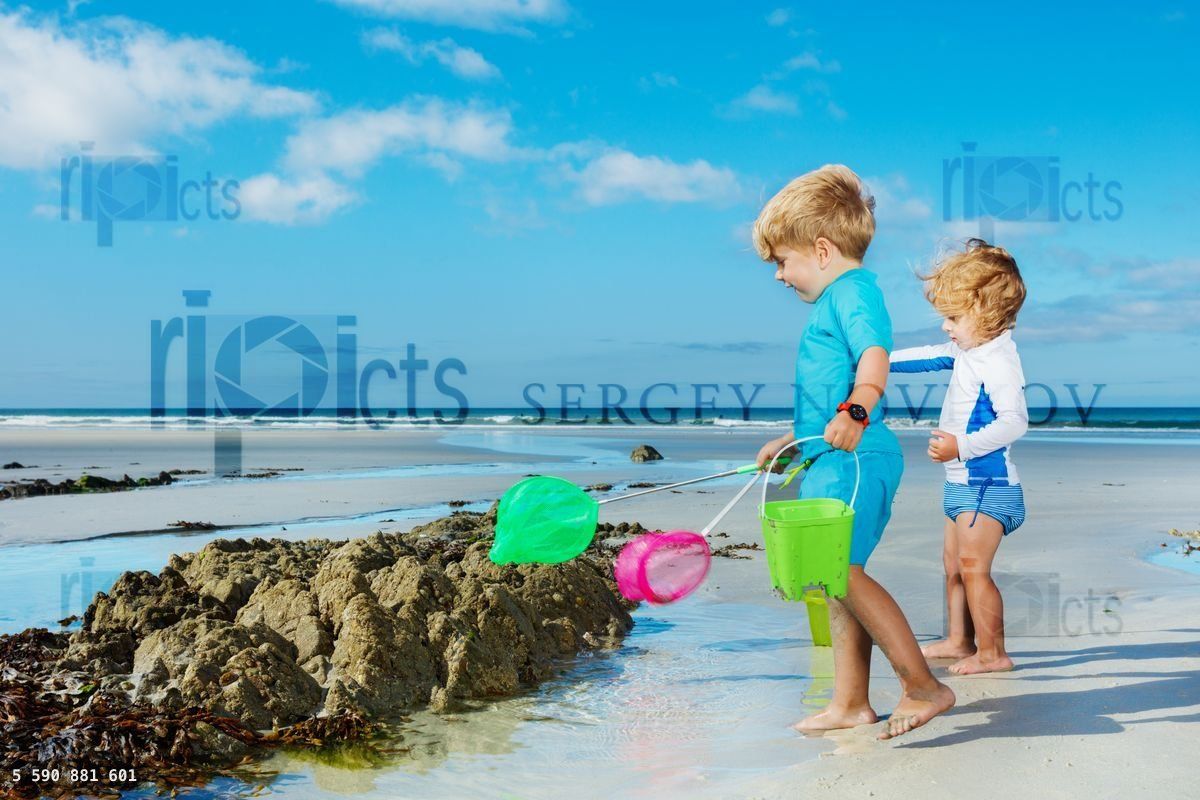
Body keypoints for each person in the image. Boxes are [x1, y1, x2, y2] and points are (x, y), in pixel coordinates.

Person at [753, 164, 955, 739]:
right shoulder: (831, 301)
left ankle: (924, 686)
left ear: (820, 249)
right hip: (830, 456)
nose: (777, 275)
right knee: (830, 576)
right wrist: (795, 445)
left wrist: (858, 409)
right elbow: (827, 396)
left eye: (781, 261)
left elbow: (874, 356)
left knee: (842, 571)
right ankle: (851, 703)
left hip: (859, 458)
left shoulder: (853, 291)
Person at [890, 238, 1029, 675]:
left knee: (974, 570)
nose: (946, 327)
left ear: (986, 312)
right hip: (960, 485)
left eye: (953, 317)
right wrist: (875, 361)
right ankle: (958, 639)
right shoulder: (971, 349)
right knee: (952, 566)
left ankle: (993, 653)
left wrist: (960, 448)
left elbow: (1014, 422)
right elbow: (929, 357)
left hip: (989, 487)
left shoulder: (1000, 362)